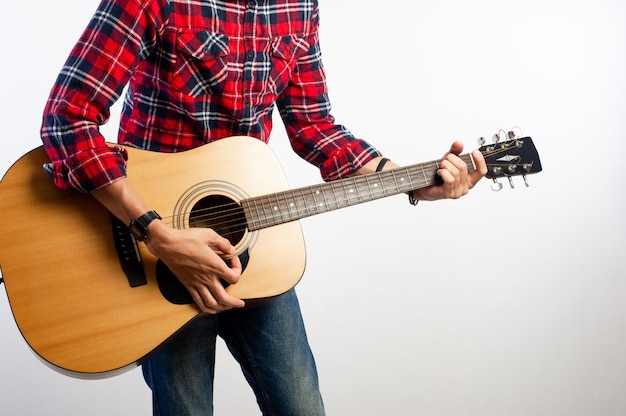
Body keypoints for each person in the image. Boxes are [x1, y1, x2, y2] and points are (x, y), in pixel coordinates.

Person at [40, 0, 487, 414]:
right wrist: (158, 235)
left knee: (301, 405)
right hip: (151, 250)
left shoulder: (298, 5)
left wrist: (408, 180)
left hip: (247, 241)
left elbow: (314, 125)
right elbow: (68, 115)